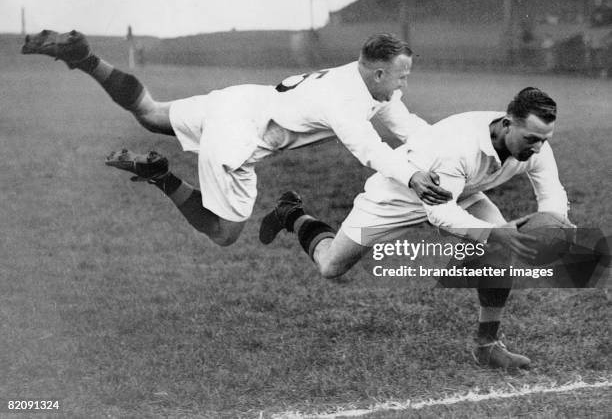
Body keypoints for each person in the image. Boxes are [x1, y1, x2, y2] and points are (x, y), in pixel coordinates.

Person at [21, 30, 451, 247]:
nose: (404, 84)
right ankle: (161, 175)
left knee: (150, 113)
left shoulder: (372, 85)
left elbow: (407, 125)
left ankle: (85, 57)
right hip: (240, 134)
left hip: (241, 100)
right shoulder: (345, 100)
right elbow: (370, 150)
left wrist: (451, 148)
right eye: (402, 75)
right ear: (378, 72)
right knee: (225, 233)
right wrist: (413, 178)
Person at [261, 87, 572, 369]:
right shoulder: (459, 145)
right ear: (507, 123)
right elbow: (440, 215)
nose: (538, 147)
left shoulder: (536, 146)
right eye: (531, 139)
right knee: (330, 266)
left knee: (498, 251)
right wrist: (494, 233)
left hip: (459, 190)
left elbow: (551, 194)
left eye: (544, 139)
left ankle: (487, 345)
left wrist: (555, 225)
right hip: (398, 195)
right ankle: (291, 213)